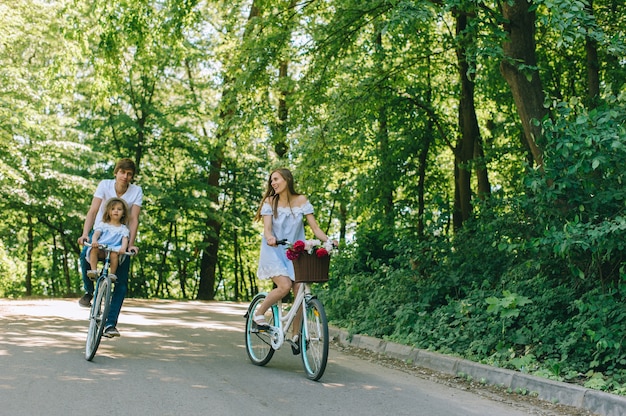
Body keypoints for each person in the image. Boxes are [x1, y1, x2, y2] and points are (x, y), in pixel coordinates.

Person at [253, 168, 335, 354]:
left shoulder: (301, 201)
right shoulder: (270, 202)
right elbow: (267, 229)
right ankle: (258, 314)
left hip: (294, 253)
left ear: (287, 180)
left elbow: (315, 227)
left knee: (300, 290)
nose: (273, 183)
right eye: (271, 180)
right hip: (273, 251)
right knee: (284, 286)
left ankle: (296, 335)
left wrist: (328, 241)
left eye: (276, 179)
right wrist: (270, 238)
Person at [77, 158, 143, 338]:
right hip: (101, 232)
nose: (125, 176)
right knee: (85, 254)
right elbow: (93, 210)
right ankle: (89, 291)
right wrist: (85, 234)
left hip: (121, 236)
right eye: (122, 172)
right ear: (116, 172)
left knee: (121, 283)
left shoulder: (136, 191)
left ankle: (110, 324)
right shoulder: (104, 185)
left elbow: (133, 219)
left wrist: (129, 245)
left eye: (129, 174)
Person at [86, 197, 130, 283]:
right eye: (113, 209)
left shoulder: (123, 229)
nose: (116, 211)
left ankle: (112, 275)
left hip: (114, 249)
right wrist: (94, 241)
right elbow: (96, 234)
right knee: (94, 250)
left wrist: (123, 248)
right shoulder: (103, 224)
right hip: (102, 247)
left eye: (119, 209)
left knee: (114, 255)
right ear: (109, 212)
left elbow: (125, 240)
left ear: (123, 213)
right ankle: (94, 271)